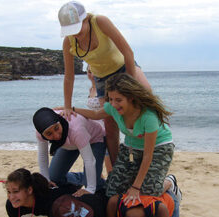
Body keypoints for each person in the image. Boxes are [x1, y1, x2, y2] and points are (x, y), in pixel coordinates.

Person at [58, 1, 151, 165]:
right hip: (102, 78)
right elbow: (69, 76)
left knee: (146, 100)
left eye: (78, 28)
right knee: (110, 121)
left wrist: (130, 86)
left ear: (86, 19)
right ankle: (116, 168)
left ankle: (151, 153)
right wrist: (67, 106)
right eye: (71, 31)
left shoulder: (100, 22)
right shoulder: (68, 42)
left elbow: (128, 52)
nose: (76, 34)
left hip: (124, 66)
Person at [70, 73, 175, 201]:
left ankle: (170, 182)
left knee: (147, 193)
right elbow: (95, 114)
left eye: (118, 100)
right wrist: (71, 109)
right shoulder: (112, 107)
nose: (113, 104)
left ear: (131, 97)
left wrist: (136, 187)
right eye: (111, 99)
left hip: (159, 148)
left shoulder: (148, 116)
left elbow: (148, 155)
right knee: (111, 191)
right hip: (131, 148)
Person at [33, 107, 106, 197]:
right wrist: (46, 181)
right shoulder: (40, 132)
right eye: (49, 134)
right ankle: (82, 178)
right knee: (53, 179)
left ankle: (98, 180)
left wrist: (90, 189)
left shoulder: (76, 130)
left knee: (91, 186)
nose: (56, 136)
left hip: (94, 139)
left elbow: (89, 160)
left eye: (56, 128)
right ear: (42, 134)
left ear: (59, 121)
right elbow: (43, 156)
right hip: (70, 143)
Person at [86, 65, 113, 175]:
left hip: (106, 127)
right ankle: (100, 182)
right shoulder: (91, 89)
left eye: (93, 71)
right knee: (95, 160)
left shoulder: (103, 88)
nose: (91, 75)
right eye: (88, 71)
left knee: (108, 157)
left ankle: (111, 183)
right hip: (94, 129)